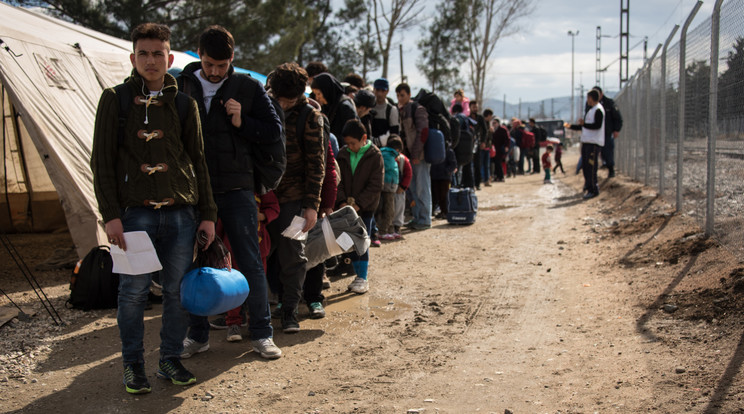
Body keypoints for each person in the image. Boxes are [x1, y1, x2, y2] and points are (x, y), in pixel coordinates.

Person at [91, 22, 217, 394]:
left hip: (181, 213)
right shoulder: (114, 99)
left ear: (170, 57)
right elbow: (101, 163)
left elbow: (198, 160)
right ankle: (132, 366)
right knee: (133, 293)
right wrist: (110, 214)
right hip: (135, 214)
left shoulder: (184, 103)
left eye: (157, 53)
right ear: (133, 57)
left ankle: (169, 358)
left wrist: (207, 213)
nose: (150, 60)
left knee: (177, 293)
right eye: (143, 53)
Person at [176, 25, 282, 359]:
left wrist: (243, 122)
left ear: (232, 59)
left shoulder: (248, 87)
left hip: (238, 188)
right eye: (209, 64)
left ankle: (262, 333)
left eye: (222, 66)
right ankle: (198, 334)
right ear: (199, 56)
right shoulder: (181, 85)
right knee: (194, 263)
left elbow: (274, 132)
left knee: (250, 260)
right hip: (194, 191)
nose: (215, 71)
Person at [266, 62, 326, 332]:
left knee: (292, 255)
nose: (285, 104)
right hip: (263, 196)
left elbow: (317, 164)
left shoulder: (310, 116)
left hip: (293, 199)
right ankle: (254, 309)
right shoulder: (262, 105)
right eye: (280, 98)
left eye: (290, 99)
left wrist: (311, 206)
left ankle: (289, 309)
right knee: (259, 253)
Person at [335, 119, 384, 293]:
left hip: (366, 209)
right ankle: (356, 275)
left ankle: (362, 277)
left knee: (362, 242)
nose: (350, 147)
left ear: (364, 138)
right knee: (348, 242)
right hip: (345, 209)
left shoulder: (375, 155)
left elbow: (375, 185)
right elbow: (337, 180)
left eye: (353, 143)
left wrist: (359, 204)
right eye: (347, 143)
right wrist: (341, 201)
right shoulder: (342, 154)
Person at [396, 83, 431, 230]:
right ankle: (417, 218)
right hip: (409, 156)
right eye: (398, 95)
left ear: (409, 95)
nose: (400, 98)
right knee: (413, 188)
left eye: (402, 95)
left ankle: (425, 219)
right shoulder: (401, 111)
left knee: (422, 188)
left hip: (419, 156)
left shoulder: (418, 109)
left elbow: (423, 132)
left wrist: (416, 153)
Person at [567, 89, 605, 199]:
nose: (587, 100)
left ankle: (594, 189)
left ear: (592, 98)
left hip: (593, 143)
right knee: (586, 167)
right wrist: (570, 126)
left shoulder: (598, 110)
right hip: (587, 142)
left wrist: (584, 124)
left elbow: (597, 126)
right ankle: (588, 187)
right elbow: (585, 126)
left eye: (588, 98)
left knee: (591, 168)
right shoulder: (591, 110)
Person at [311, 72, 359, 139]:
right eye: (315, 94)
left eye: (319, 94)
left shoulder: (345, 106)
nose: (317, 98)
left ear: (327, 91)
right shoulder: (326, 106)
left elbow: (352, 132)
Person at [592, 86, 623, 177]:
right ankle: (593, 173)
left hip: (606, 132)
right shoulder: (590, 104)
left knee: (608, 151)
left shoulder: (609, 103)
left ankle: (611, 169)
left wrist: (616, 129)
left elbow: (618, 118)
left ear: (601, 94)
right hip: (595, 133)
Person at [388, 135, 412, 237]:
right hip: (388, 189)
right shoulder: (385, 157)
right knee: (388, 209)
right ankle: (388, 227)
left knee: (399, 208)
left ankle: (397, 227)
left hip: (399, 190)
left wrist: (403, 187)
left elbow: (408, 174)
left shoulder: (403, 160)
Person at [430, 145, 458, 219]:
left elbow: (453, 164)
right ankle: (442, 211)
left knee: (444, 196)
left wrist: (447, 171)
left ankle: (445, 212)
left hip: (445, 177)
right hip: (436, 176)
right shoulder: (443, 150)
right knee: (437, 195)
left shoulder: (448, 151)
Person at [371, 78, 400, 146]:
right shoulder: (368, 108)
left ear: (387, 91)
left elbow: (394, 134)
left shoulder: (392, 110)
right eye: (377, 90)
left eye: (383, 90)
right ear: (374, 90)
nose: (379, 94)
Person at [491, 118, 509, 182]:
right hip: (493, 149)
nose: (494, 124)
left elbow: (507, 139)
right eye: (493, 123)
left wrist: (506, 146)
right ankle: (496, 176)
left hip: (500, 149)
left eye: (495, 123)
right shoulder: (492, 130)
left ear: (498, 123)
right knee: (495, 163)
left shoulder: (502, 130)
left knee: (498, 163)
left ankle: (501, 177)